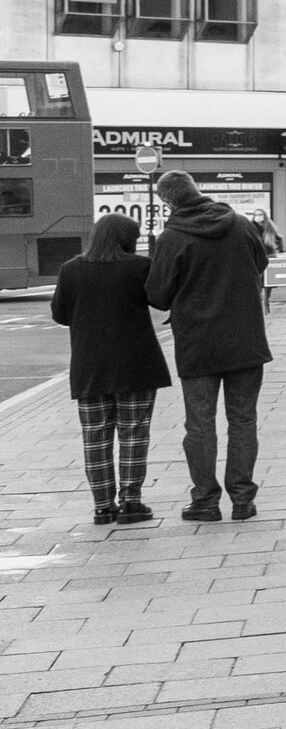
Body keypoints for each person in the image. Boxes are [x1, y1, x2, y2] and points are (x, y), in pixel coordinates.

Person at [145, 170, 272, 522]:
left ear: (168, 201)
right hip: (245, 339)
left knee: (200, 424)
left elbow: (157, 295)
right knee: (243, 420)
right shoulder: (240, 223)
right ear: (196, 190)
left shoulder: (172, 237)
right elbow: (260, 263)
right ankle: (243, 500)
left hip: (198, 343)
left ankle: (205, 501)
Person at [50, 214, 170, 525]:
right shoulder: (138, 266)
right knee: (133, 434)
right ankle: (131, 503)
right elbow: (161, 300)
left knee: (95, 437)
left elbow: (61, 315)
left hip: (90, 366)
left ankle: (102, 507)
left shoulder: (71, 269)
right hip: (136, 364)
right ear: (125, 238)